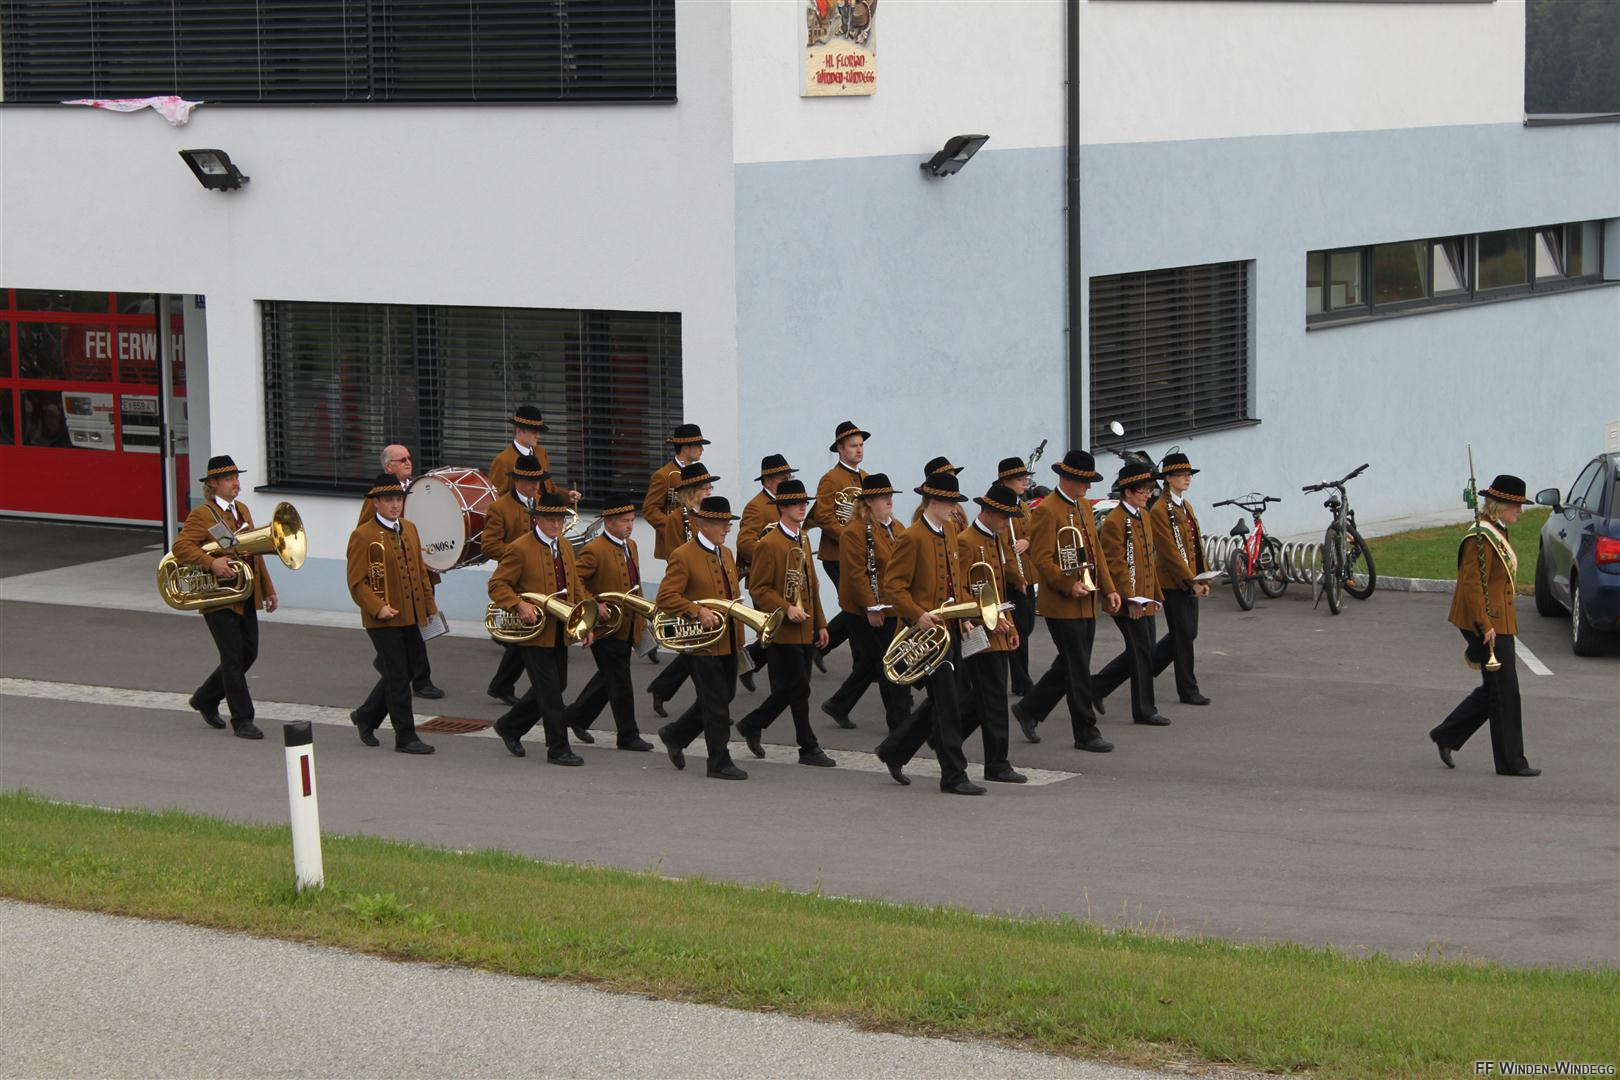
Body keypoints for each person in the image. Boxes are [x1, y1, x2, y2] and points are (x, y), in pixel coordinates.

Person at [874, 472, 984, 796]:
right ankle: (953, 775)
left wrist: (964, 617)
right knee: (947, 704)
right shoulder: (912, 537)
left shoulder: (949, 531)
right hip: (924, 638)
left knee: (945, 700)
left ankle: (894, 750)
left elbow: (955, 583)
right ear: (934, 501)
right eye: (950, 502)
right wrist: (917, 614)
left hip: (949, 631)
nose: (955, 508)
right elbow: (893, 586)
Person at [1430, 474, 1540, 777]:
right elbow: (1471, 585)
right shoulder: (1480, 537)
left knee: (1496, 689)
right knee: (1506, 692)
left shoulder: (1497, 530)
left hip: (1497, 618)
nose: (1520, 511)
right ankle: (1511, 763)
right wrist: (1485, 623)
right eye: (1516, 505)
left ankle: (1447, 735)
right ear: (1500, 505)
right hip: (1486, 621)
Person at [1014, 450, 1121, 751]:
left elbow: (1096, 552)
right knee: (1078, 668)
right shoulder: (1048, 510)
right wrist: (1067, 584)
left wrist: (1109, 588)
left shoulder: (1083, 505)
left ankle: (1029, 709)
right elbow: (1041, 558)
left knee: (1070, 663)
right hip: (1062, 604)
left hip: (1086, 599)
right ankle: (1085, 732)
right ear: (1068, 478)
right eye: (1084, 481)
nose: (1088, 486)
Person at [488, 492, 600, 766]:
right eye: (550, 519)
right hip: (533, 632)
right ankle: (558, 748)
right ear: (536, 519)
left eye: (560, 519)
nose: (556, 524)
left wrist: (585, 624)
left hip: (560, 629)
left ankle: (510, 725)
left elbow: (574, 587)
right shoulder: (519, 548)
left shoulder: (564, 545)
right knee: (550, 692)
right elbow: (497, 585)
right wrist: (518, 604)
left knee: (557, 684)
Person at [172, 455, 278, 740]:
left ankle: (205, 697)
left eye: (236, 478)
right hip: (218, 597)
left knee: (249, 653)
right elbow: (181, 546)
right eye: (230, 479)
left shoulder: (242, 510)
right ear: (214, 484)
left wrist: (268, 588)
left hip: (244, 593)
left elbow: (255, 552)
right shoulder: (202, 514)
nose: (236, 483)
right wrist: (211, 562)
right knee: (232, 658)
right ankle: (243, 720)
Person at [736, 479, 836, 767]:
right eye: (796, 503)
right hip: (783, 629)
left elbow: (812, 585)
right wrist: (787, 607)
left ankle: (752, 724)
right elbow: (759, 588)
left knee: (791, 689)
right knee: (799, 689)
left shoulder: (803, 537)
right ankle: (808, 747)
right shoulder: (769, 543)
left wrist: (821, 624)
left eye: (804, 503)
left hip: (805, 627)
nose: (803, 507)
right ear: (782, 507)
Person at [654, 495, 750, 781]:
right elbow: (666, 597)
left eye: (728, 523)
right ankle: (718, 761)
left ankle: (675, 734)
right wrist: (696, 610)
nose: (727, 529)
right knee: (716, 703)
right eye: (722, 524)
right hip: (701, 643)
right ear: (704, 524)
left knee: (724, 696)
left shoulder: (727, 554)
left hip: (727, 639)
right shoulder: (683, 555)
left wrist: (740, 637)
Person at [344, 474, 437, 755]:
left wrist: (429, 606)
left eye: (398, 499)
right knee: (397, 676)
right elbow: (356, 583)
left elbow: (420, 572)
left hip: (411, 614)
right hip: (382, 618)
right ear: (376, 503)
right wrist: (378, 606)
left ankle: (366, 715)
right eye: (388, 500)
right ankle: (405, 736)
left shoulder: (410, 528)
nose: (395, 505)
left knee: (407, 671)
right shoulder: (363, 535)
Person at [563, 494, 655, 752]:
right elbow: (574, 581)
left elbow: (634, 582)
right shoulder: (594, 550)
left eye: (631, 520)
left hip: (627, 624)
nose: (630, 525)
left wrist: (642, 615)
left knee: (609, 677)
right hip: (605, 627)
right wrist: (594, 604)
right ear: (609, 522)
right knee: (620, 681)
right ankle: (628, 735)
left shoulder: (631, 545)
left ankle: (576, 716)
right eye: (625, 521)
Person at [821, 473, 913, 731]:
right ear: (869, 501)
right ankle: (900, 725)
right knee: (891, 664)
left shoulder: (897, 528)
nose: (889, 501)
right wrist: (871, 607)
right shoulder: (854, 531)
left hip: (894, 606)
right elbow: (855, 575)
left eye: (890, 496)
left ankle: (838, 705)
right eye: (883, 497)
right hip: (864, 611)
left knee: (871, 663)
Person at [954, 483, 1029, 784]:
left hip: (998, 627)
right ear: (987, 512)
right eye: (1003, 516)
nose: (1007, 523)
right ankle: (997, 764)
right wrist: (985, 618)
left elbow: (998, 590)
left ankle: (940, 737)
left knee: (983, 699)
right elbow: (960, 590)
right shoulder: (966, 541)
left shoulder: (995, 539)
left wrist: (1010, 624)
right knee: (994, 698)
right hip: (979, 630)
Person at [356, 443, 443, 700]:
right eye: (402, 459)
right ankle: (420, 679)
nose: (408, 462)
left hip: (418, 568)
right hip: (394, 575)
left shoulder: (415, 489)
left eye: (409, 457)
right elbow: (369, 534)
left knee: (417, 627)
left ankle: (399, 671)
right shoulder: (377, 499)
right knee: (409, 631)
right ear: (388, 467)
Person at [1092, 462, 1171, 727]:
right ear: (1127, 492)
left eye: (1149, 490)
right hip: (1127, 599)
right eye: (1142, 490)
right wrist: (1130, 600)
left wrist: (1156, 595)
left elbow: (1149, 560)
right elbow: (1116, 566)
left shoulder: (1143, 516)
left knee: (1145, 649)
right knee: (1141, 653)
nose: (1147, 494)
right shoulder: (1115, 521)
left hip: (1145, 596)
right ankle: (1144, 710)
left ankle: (1096, 688)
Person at [647, 462, 719, 717]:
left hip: (707, 588)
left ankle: (662, 688)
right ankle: (713, 707)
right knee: (700, 651)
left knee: (696, 650)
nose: (709, 491)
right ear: (691, 491)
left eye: (710, 487)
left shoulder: (707, 514)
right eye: (705, 487)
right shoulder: (676, 519)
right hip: (689, 591)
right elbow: (675, 557)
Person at [483, 456, 547, 706]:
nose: (535, 486)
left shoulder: (541, 502)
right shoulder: (500, 508)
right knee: (528, 634)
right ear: (517, 481)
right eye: (530, 481)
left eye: (538, 481)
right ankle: (541, 693)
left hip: (540, 578)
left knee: (524, 636)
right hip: (515, 579)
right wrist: (520, 553)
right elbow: (489, 546)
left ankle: (502, 684)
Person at [1149, 452, 1212, 706]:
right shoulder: (1159, 510)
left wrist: (1203, 577)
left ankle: (1144, 667)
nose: (1187, 479)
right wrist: (1191, 581)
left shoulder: (1185, 506)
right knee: (1184, 635)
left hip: (1189, 578)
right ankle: (1188, 689)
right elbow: (1170, 553)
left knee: (1187, 633)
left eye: (1189, 475)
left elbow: (1196, 545)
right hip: (1172, 582)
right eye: (1181, 475)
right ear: (1168, 478)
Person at [809, 421, 869, 667]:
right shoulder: (831, 479)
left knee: (859, 606)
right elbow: (823, 516)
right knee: (857, 605)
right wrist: (851, 539)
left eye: (861, 445)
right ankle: (861, 663)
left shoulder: (866, 478)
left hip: (861, 555)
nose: (859, 449)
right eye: (853, 446)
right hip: (837, 555)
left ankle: (820, 647)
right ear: (840, 449)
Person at [735, 453, 796, 693]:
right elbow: (745, 543)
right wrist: (774, 556)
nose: (788, 481)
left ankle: (748, 664)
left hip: (786, 579)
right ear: (768, 481)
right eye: (783, 478)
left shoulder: (786, 503)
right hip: (765, 579)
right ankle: (778, 689)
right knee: (775, 634)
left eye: (789, 477)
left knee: (778, 633)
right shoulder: (756, 506)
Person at [995, 456, 1038, 695]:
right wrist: (1016, 578)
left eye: (1025, 478)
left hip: (1028, 574)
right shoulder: (1000, 506)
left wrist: (1027, 540)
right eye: (1020, 479)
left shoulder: (1022, 505)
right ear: (1005, 481)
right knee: (1018, 629)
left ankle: (1021, 676)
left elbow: (1033, 532)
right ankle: (1022, 681)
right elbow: (1003, 548)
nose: (1025, 483)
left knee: (1027, 626)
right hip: (1013, 579)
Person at [488, 404, 579, 505]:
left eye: (539, 432)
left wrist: (567, 496)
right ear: (519, 431)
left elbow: (549, 487)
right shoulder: (502, 460)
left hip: (546, 512)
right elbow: (496, 498)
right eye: (534, 432)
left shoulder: (541, 452)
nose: (538, 436)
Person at [643, 423, 709, 561]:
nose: (702, 449)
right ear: (685, 448)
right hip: (675, 542)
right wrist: (674, 527)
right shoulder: (663, 475)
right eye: (698, 445)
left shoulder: (696, 473)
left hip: (697, 537)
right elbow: (650, 510)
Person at [911, 457, 968, 528]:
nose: (953, 482)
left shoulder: (957, 508)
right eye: (948, 479)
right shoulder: (924, 513)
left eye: (954, 478)